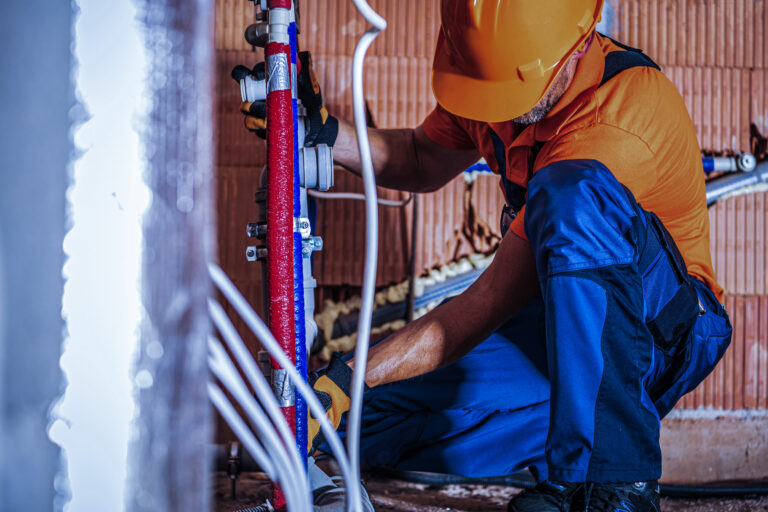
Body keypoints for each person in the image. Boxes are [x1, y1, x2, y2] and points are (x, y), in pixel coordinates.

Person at [234, 1, 732, 510]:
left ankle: (610, 483)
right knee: (362, 413)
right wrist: (325, 135)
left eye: (512, 91)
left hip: (663, 333)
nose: (499, 110)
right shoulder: (490, 79)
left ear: (579, 43)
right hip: (555, 328)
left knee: (572, 195)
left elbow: (487, 301)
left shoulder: (616, 121)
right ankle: (568, 451)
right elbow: (422, 158)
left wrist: (347, 375)